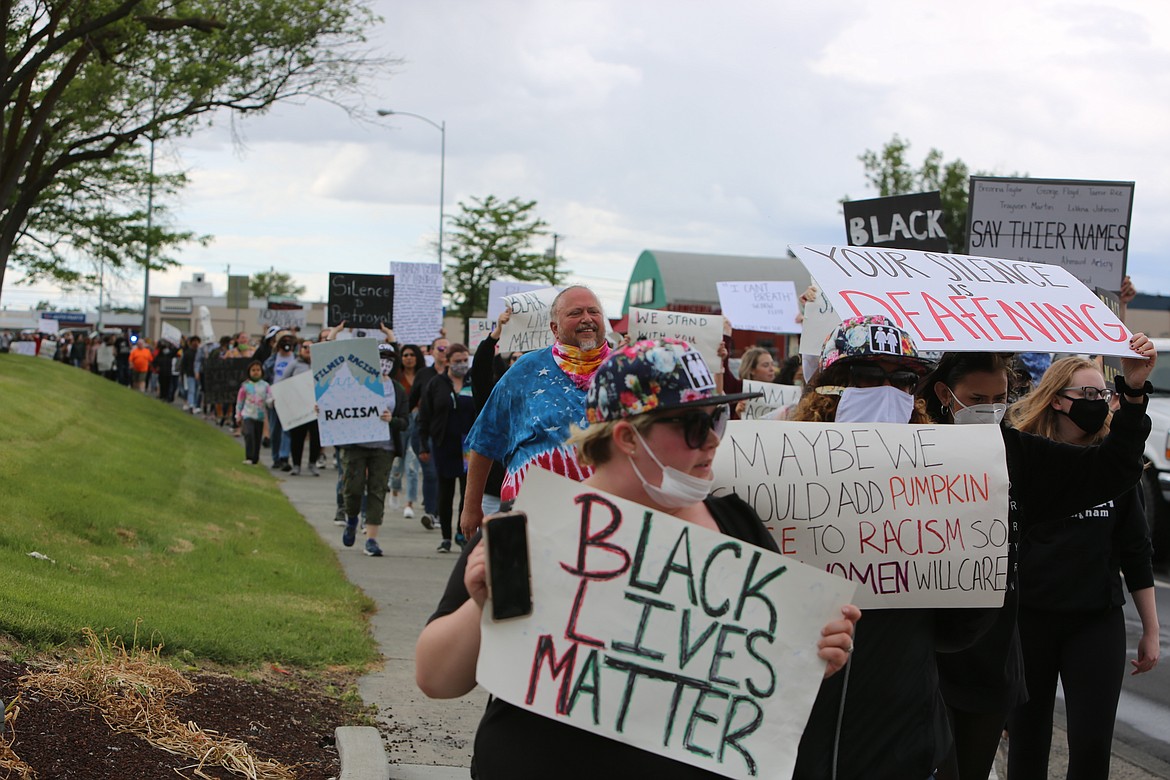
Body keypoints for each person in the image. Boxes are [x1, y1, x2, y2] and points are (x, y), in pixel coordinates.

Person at [416, 338, 860, 779]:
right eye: (691, 424)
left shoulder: (737, 527)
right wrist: (480, 603)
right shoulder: (531, 528)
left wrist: (813, 657)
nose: (710, 440)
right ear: (627, 436)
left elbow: (757, 681)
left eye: (717, 419)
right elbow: (436, 680)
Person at [917, 347, 1155, 780]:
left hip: (989, 653)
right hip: (922, 649)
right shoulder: (912, 450)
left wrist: (1134, 392)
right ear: (944, 394)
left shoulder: (1019, 455)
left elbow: (1113, 469)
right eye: (976, 399)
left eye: (1000, 399)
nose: (989, 411)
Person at [1004, 357, 1159, 780]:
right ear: (1056, 400)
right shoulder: (1022, 458)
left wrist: (1151, 629)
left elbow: (1136, 549)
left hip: (1095, 621)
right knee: (1027, 740)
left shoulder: (1115, 467)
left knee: (1092, 744)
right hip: (1029, 621)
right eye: (1087, 394)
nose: (1098, 403)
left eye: (1103, 395)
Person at [460, 285, 608, 537]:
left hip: (604, 517)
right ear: (554, 328)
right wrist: (471, 507)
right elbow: (485, 438)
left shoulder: (625, 371)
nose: (587, 318)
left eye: (593, 311)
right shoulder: (526, 369)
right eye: (575, 313)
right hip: (527, 515)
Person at [339, 343, 409, 557]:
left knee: (377, 491)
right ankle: (351, 519)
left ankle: (371, 539)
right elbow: (339, 407)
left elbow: (405, 422)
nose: (385, 362)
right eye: (381, 357)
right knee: (353, 488)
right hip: (357, 445)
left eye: (389, 358)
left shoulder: (397, 389)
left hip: (384, 447)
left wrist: (391, 420)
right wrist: (323, 410)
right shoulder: (355, 383)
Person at [418, 343, 476, 552]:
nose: (461, 364)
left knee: (467, 491)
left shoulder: (473, 381)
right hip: (444, 444)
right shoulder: (437, 383)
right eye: (457, 361)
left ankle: (462, 533)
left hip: (469, 446)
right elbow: (424, 415)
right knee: (446, 492)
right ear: (447, 361)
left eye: (464, 360)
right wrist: (423, 443)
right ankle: (445, 536)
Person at [470, 308, 515, 516]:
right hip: (493, 492)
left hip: (527, 492)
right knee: (487, 547)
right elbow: (479, 372)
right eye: (514, 359)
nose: (520, 363)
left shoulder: (544, 399)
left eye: (525, 358)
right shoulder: (495, 397)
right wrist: (495, 334)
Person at [390, 343, 425, 520]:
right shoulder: (396, 376)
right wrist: (392, 340)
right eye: (405, 355)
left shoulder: (422, 375)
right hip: (401, 420)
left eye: (412, 354)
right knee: (397, 461)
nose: (409, 358)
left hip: (418, 421)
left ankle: (409, 502)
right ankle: (394, 489)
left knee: (412, 465)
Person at [284, 340, 321, 476]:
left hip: (316, 408)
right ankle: (296, 465)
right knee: (297, 437)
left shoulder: (320, 364)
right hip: (298, 407)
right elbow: (283, 382)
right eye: (305, 347)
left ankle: (312, 463)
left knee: (316, 437)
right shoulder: (294, 365)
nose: (307, 350)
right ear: (300, 349)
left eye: (311, 347)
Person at [235, 361, 272, 465]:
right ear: (249, 372)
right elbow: (240, 401)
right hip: (248, 414)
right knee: (249, 434)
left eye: (258, 370)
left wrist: (271, 402)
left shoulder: (265, 386)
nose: (256, 372)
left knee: (257, 437)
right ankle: (249, 456)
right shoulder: (245, 386)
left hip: (260, 416)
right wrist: (238, 415)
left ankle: (255, 458)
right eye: (253, 370)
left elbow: (269, 399)